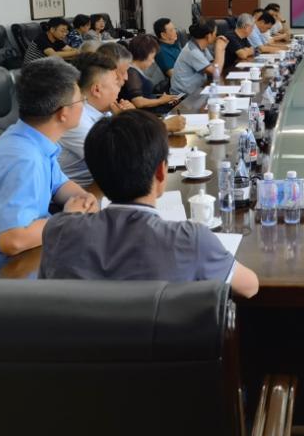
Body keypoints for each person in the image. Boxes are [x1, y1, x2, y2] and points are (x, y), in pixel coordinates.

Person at [39, 110, 260, 298]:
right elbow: (250, 286)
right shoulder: (191, 239)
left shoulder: (59, 230)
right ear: (161, 172)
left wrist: (68, 219)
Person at [0, 58, 100, 278]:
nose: (84, 105)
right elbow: (13, 240)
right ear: (63, 113)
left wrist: (84, 198)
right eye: (82, 100)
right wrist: (68, 218)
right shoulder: (22, 158)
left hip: (31, 250)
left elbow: (59, 184)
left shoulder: (32, 136)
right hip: (0, 275)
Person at [59, 52, 132, 187]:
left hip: (104, 184)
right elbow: (119, 162)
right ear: (97, 90)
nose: (119, 88)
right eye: (115, 82)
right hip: (82, 193)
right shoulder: (77, 121)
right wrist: (127, 122)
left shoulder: (104, 110)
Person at [123, 35, 182, 111]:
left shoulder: (135, 70)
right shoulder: (132, 73)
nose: (153, 61)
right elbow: (138, 102)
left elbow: (145, 95)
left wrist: (163, 99)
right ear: (144, 55)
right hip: (149, 113)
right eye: (152, 57)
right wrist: (161, 101)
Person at [172, 20, 227, 95]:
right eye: (215, 33)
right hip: (184, 96)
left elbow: (213, 65)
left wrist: (221, 49)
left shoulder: (201, 47)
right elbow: (215, 72)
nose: (216, 36)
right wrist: (219, 49)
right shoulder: (192, 51)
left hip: (197, 90)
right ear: (208, 36)